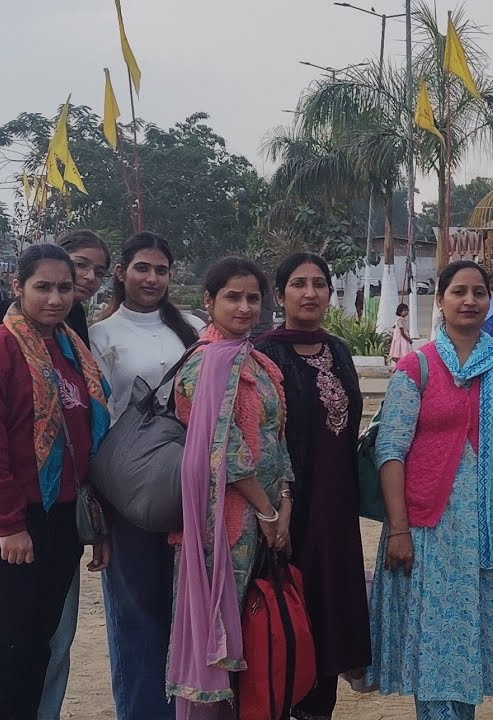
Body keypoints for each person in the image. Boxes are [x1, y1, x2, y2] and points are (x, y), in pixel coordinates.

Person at [0, 229, 110, 720]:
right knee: (9, 645)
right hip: (10, 521)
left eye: (64, 288)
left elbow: (85, 441)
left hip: (59, 518)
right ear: (18, 287)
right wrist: (9, 524)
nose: (55, 298)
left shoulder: (71, 349)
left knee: (39, 645)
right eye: (43, 287)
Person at [370, 260, 493, 720]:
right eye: (459, 292)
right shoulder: (417, 365)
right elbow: (390, 449)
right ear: (441, 300)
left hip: (487, 532)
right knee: (432, 647)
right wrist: (400, 529)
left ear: (491, 301)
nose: (469, 301)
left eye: (479, 292)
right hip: (428, 529)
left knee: (467, 646)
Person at [166, 257, 294, 717]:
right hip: (221, 525)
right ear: (209, 301)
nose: (244, 308)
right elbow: (229, 452)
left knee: (252, 635)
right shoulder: (206, 363)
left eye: (253, 298)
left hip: (264, 520)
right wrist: (266, 511)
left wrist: (285, 502)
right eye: (232, 297)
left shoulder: (257, 362)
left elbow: (277, 441)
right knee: (218, 640)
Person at [89, 232, 203, 719]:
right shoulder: (99, 336)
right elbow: (96, 418)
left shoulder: (195, 329)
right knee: (135, 612)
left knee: (187, 612)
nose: (151, 278)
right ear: (121, 273)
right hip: (127, 491)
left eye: (160, 270)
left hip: (190, 489)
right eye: (141, 268)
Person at [256, 253, 371, 719]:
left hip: (336, 508)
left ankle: (318, 710)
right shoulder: (264, 352)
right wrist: (276, 505)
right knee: (288, 610)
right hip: (287, 510)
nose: (310, 293)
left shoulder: (338, 350)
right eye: (298, 284)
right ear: (280, 295)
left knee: (328, 613)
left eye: (319, 283)